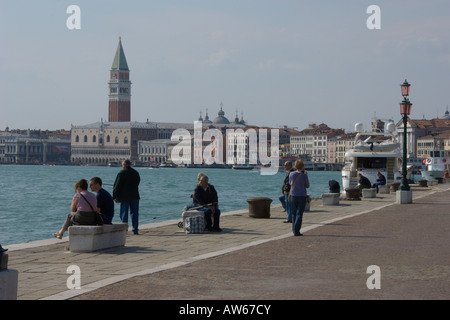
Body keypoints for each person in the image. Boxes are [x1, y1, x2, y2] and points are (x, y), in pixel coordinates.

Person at [113, 159, 141, 234]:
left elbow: (117, 186)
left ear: (124, 165)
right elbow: (137, 182)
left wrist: (114, 196)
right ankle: (135, 229)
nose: (122, 166)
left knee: (124, 213)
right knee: (134, 213)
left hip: (124, 196)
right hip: (135, 195)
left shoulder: (121, 173)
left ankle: (124, 229)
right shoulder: (135, 172)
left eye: (122, 165)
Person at [289, 159, 310, 236]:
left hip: (293, 195)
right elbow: (307, 185)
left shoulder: (291, 174)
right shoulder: (304, 175)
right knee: (299, 214)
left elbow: (290, 183)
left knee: (294, 213)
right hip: (302, 195)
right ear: (302, 166)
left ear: (295, 166)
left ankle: (294, 230)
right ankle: (297, 230)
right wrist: (306, 175)